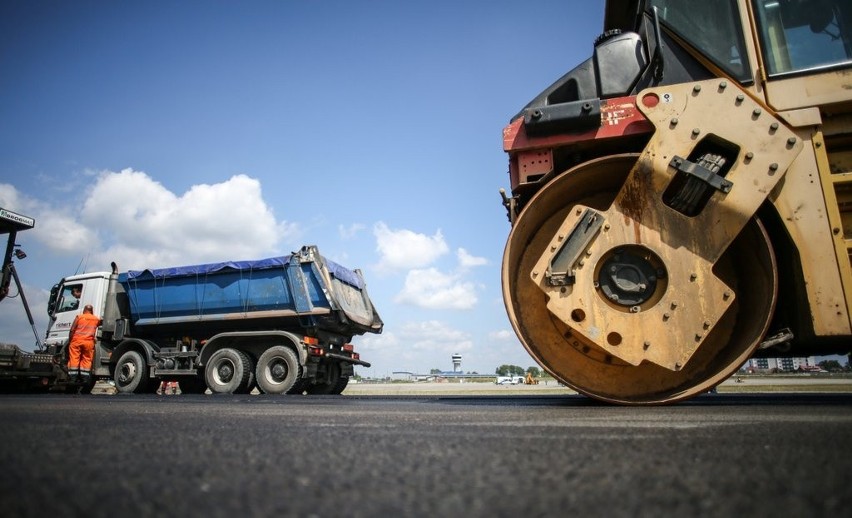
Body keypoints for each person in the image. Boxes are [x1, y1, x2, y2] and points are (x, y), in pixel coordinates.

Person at [67, 304, 101, 384]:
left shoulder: (79, 317)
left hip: (77, 341)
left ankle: (73, 378)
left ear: (84, 310)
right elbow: (100, 323)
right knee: (87, 359)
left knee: (74, 358)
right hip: (89, 342)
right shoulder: (96, 319)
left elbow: (72, 330)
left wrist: (70, 340)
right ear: (91, 311)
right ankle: (85, 378)